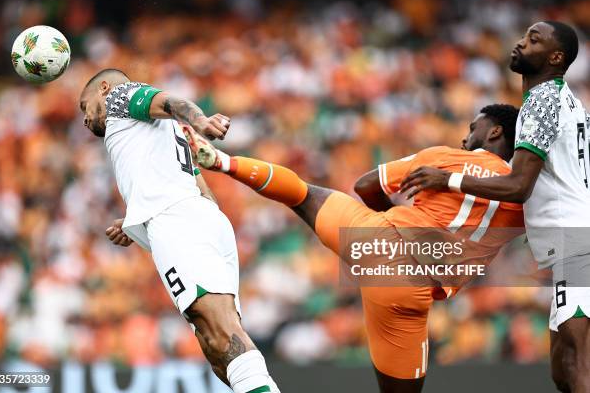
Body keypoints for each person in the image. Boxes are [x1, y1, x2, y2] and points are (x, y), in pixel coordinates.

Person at [184, 104, 524, 392]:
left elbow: (365, 184)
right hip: (410, 285)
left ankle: (222, 162)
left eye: (473, 129)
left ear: (495, 132)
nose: (465, 137)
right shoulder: (527, 195)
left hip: (373, 236)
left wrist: (385, 225)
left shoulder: (442, 157)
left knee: (301, 193)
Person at [398, 21, 590, 393]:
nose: (521, 43)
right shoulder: (568, 100)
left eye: (534, 40)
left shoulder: (542, 102)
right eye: (524, 36)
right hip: (572, 238)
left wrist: (448, 179)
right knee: (563, 368)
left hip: (575, 241)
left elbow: (518, 185)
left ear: (555, 57)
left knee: (579, 357)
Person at [79, 68, 280, 393]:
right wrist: (134, 221)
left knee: (221, 333)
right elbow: (193, 184)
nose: (85, 120)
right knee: (216, 349)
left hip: (179, 223)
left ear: (103, 88)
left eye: (84, 106)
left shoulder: (119, 97)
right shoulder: (155, 132)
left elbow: (169, 100)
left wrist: (200, 120)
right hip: (198, 217)